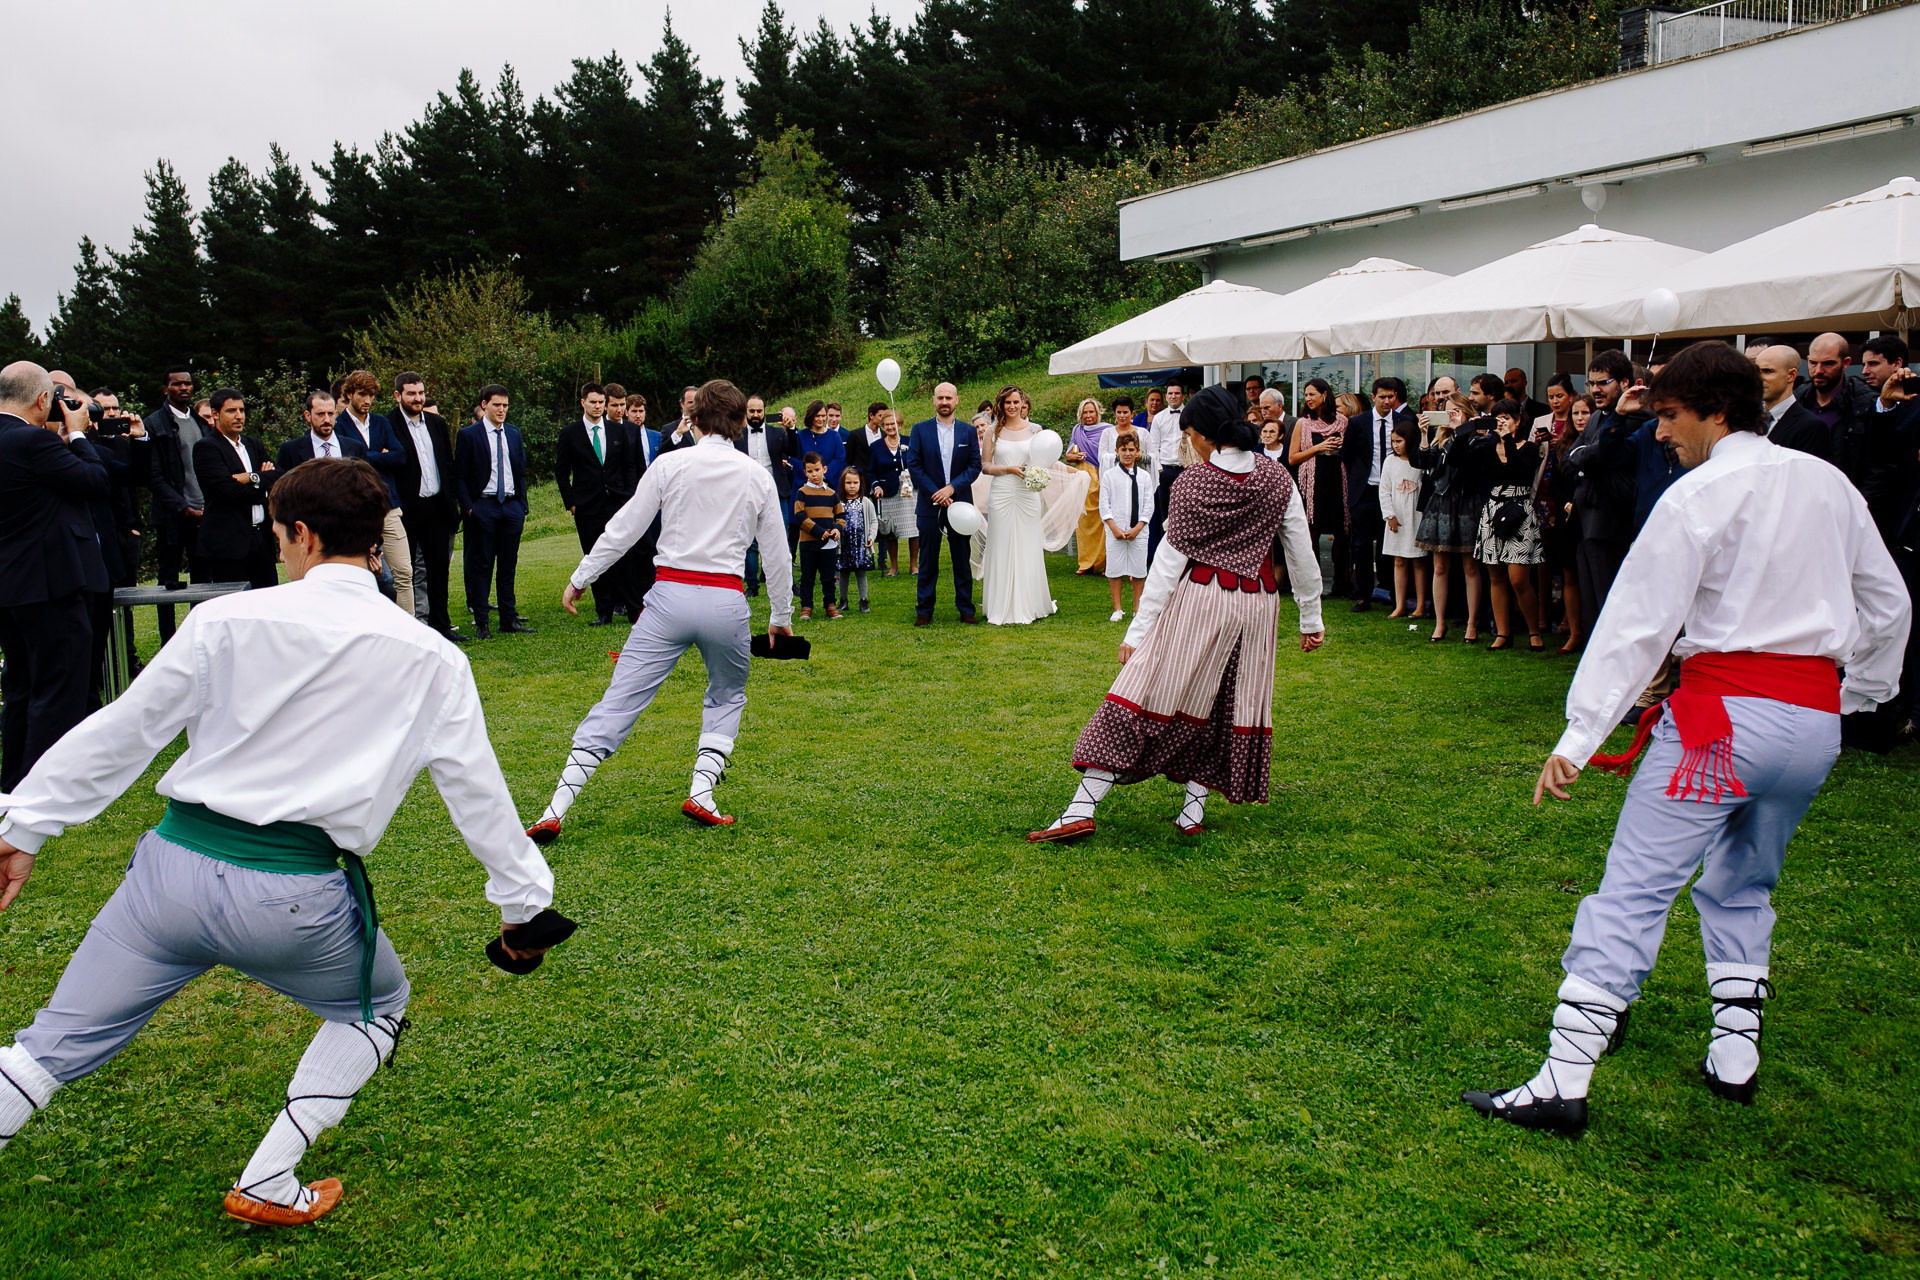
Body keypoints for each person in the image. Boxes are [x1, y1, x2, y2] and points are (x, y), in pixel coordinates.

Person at [0, 456, 566, 1225]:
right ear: (373, 539)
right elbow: (478, 794)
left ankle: (263, 1180)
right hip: (295, 899)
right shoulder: (433, 657)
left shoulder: (225, 621)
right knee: (378, 1007)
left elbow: (122, 731)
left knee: (43, 1052)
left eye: (278, 536)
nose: (277, 550)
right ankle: (268, 1177)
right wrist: (522, 908)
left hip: (169, 876)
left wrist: (25, 823)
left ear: (300, 534)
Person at [1463, 341, 1910, 1136]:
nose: (1661, 432)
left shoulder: (1699, 494)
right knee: (1746, 882)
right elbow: (1887, 605)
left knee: (1635, 888)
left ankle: (1565, 1077)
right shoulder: (1830, 485)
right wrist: (1859, 694)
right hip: (1811, 725)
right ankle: (1735, 1054)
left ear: (1714, 410)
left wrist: (1581, 732)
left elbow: (1635, 622)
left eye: (1668, 415)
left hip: (1720, 726)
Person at [1029, 384, 1325, 843]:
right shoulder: (1277, 477)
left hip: (1202, 598)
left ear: (1206, 435)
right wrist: (1311, 617)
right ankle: (1190, 813)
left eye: (1190, 435)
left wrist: (1138, 630)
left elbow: (1167, 563)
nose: (1190, 443)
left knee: (1140, 694)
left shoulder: (1195, 480)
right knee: (1223, 702)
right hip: (1260, 608)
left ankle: (1080, 809)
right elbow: (1301, 551)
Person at [526, 380, 792, 839]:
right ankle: (702, 791)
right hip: (726, 600)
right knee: (727, 697)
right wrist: (781, 617)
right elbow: (777, 554)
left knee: (619, 699)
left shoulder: (671, 464)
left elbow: (623, 527)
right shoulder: (756, 474)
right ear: (737, 421)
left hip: (668, 598)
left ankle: (556, 807)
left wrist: (580, 577)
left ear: (694, 419)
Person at [0, 365, 107, 791]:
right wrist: (79, 435)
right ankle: (42, 787)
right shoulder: (32, 439)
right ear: (43, 400)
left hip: (11, 585)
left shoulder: (22, 442)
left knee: (22, 686)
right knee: (59, 686)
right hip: (50, 582)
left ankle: (13, 782)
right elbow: (96, 482)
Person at [1568, 351, 1643, 642]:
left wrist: (1587, 457)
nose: (1596, 389)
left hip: (1613, 521)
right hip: (1586, 518)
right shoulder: (1598, 416)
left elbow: (1601, 456)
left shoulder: (1636, 416)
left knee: (1611, 603)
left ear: (1624, 382)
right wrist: (1587, 457)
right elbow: (1571, 458)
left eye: (1604, 382)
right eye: (1591, 383)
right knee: (1592, 605)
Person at [555, 383, 640, 628]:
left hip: (618, 502)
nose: (598, 406)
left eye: (601, 402)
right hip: (587, 506)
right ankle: (604, 610)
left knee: (625, 555)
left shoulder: (618, 431)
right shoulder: (570, 433)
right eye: (593, 402)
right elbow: (562, 472)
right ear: (583, 402)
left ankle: (634, 608)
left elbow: (629, 466)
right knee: (594, 555)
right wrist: (571, 503)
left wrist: (630, 496)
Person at [453, 385, 534, 639]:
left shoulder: (513, 433)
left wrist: (522, 505)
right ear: (484, 404)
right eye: (497, 405)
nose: (502, 410)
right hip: (483, 506)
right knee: (482, 565)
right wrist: (468, 507)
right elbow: (460, 476)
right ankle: (482, 622)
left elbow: (519, 470)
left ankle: (508, 619)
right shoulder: (469, 435)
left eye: (505, 405)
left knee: (508, 565)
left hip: (510, 506)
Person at [333, 371, 413, 616]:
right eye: (362, 394)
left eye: (371, 395)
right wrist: (380, 455)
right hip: (355, 510)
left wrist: (368, 457)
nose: (367, 400)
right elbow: (347, 462)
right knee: (360, 574)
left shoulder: (381, 422)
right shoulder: (338, 425)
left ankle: (409, 631)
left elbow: (400, 456)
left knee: (404, 572)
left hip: (387, 505)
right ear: (349, 395)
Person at [391, 373, 464, 642]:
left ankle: (441, 626)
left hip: (437, 507)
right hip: (408, 509)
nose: (417, 398)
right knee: (406, 571)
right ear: (398, 395)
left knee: (438, 570)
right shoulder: (388, 424)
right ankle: (410, 627)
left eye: (420, 393)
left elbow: (447, 464)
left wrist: (452, 502)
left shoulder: (436, 423)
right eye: (411, 393)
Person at [979, 385, 1057, 626]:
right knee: (1001, 545)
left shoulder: (1036, 430)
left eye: (1016, 402)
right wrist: (1007, 469)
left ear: (1023, 403)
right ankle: (1001, 605)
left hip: (1026, 494)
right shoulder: (992, 431)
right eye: (1007, 402)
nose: (1012, 406)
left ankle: (1030, 603)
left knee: (1027, 544)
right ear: (1001, 405)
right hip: (1002, 492)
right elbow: (985, 466)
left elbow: (1042, 460)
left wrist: (1037, 475)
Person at [906, 382, 981, 626]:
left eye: (949, 397)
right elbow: (914, 465)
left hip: (960, 504)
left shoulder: (968, 432)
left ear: (957, 400)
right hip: (929, 504)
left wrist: (952, 488)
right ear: (933, 400)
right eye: (940, 398)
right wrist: (936, 492)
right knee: (928, 559)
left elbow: (974, 466)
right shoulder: (920, 430)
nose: (944, 402)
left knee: (962, 558)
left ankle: (966, 609)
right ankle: (924, 610)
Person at [1473, 399, 1546, 651]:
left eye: (1507, 418)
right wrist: (1463, 433)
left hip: (1519, 511)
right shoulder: (1488, 446)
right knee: (1496, 576)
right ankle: (1502, 633)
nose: (1502, 423)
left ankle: (1533, 630)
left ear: (1517, 420)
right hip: (1493, 510)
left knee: (1518, 578)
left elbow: (1518, 472)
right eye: (1497, 418)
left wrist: (1506, 441)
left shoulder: (1528, 448)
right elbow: (1468, 465)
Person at [191, 388, 279, 590]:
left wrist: (252, 477)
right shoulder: (207, 447)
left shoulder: (253, 445)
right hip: (229, 544)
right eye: (231, 411)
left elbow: (279, 476)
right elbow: (226, 491)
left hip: (261, 540)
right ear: (215, 414)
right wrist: (264, 487)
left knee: (266, 601)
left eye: (242, 410)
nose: (239, 416)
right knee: (234, 606)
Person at [142, 365, 205, 643]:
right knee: (168, 582)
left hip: (203, 512)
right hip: (172, 516)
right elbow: (152, 476)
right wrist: (182, 508)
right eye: (177, 384)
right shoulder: (154, 424)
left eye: (188, 384)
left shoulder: (203, 423)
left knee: (202, 582)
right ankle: (169, 641)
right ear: (165, 389)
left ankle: (199, 637)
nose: (184, 388)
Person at [1412, 392, 1481, 643]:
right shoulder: (1440, 439)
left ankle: (1472, 624)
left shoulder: (1477, 438)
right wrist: (1423, 435)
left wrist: (1460, 430)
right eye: (1446, 411)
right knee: (1439, 566)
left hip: (1466, 502)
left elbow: (1462, 462)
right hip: (1441, 500)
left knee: (1470, 567)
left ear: (1466, 413)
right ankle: (1439, 623)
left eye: (1455, 412)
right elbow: (1421, 463)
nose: (1450, 417)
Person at [1344, 377, 1414, 613]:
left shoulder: (1404, 421)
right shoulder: (1358, 423)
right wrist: (1358, 480)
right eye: (1382, 397)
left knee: (1389, 545)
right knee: (1362, 545)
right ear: (1373, 397)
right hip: (1365, 490)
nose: (1387, 401)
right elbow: (1347, 454)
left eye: (1391, 397)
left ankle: (1393, 594)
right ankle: (1363, 595)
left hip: (1395, 494)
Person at [1539, 394, 1590, 654]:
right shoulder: (1564, 445)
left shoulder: (1597, 441)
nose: (1580, 418)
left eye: (1585, 413)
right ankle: (1573, 631)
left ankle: (1590, 631)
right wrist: (1567, 503)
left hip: (1592, 514)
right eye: (1576, 414)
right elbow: (1556, 482)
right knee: (1569, 574)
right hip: (1567, 515)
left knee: (1590, 577)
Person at [1290, 379, 1350, 598]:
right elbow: (1293, 457)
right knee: (1312, 533)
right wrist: (1319, 447)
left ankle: (1341, 584)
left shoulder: (1342, 421)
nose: (1308, 399)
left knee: (1341, 533)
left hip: (1337, 478)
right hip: (1312, 483)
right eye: (1306, 395)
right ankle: (1313, 584)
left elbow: (1350, 451)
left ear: (1325, 395)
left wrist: (1341, 446)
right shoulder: (1302, 423)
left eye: (1312, 394)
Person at [736, 394, 795, 597]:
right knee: (750, 542)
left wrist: (791, 429)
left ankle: (787, 583)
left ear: (764, 411)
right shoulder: (737, 435)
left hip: (776, 492)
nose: (755, 414)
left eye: (759, 411)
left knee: (782, 539)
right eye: (751, 411)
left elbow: (794, 449)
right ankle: (752, 585)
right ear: (746, 412)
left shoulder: (776, 433)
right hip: (747, 493)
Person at [1100, 429, 1152, 622]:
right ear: (1117, 451)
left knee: (1139, 570)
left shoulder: (1145, 477)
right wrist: (1113, 527)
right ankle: (1117, 609)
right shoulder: (1109, 476)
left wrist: (1138, 527)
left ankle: (1138, 609)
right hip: (1116, 529)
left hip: (1138, 530)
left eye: (1131, 449)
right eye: (1124, 449)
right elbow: (1104, 504)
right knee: (1114, 569)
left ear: (1137, 451)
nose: (1128, 453)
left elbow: (1148, 505)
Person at [1379, 419, 1428, 619]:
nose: (1395, 445)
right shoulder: (1390, 462)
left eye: (1399, 441)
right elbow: (1384, 490)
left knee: (1418, 561)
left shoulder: (1420, 461)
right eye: (1393, 441)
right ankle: (1399, 604)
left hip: (1416, 514)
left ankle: (1420, 604)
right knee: (1399, 560)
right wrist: (1389, 515)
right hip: (1397, 515)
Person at [792, 453, 844, 621]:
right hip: (808, 543)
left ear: (824, 469)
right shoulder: (802, 492)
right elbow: (799, 515)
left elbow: (841, 516)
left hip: (828, 544)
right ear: (805, 472)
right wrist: (818, 530)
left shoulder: (831, 493)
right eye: (810, 471)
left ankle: (830, 605)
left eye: (817, 470)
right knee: (807, 577)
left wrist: (837, 529)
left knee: (828, 577)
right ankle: (806, 607)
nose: (814, 474)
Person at [1754, 346, 1829, 460]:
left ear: (1791, 375)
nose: (1759, 378)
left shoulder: (1811, 427)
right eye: (1756, 371)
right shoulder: (1747, 420)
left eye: (1767, 371)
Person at [868, 409, 915, 577]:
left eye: (893, 424)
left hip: (909, 491)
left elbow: (919, 463)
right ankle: (893, 566)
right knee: (890, 530)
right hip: (887, 492)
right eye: (886, 425)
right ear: (882, 426)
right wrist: (876, 486)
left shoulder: (911, 441)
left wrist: (912, 473)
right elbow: (871, 471)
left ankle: (914, 565)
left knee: (913, 528)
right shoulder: (876, 447)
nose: (890, 427)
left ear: (900, 425)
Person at [1147, 381, 1187, 559]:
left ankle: (1184, 554)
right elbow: (1153, 446)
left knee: (1185, 512)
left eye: (1177, 393)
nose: (1173, 396)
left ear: (1183, 396)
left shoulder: (1190, 415)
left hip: (1185, 469)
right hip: (1165, 470)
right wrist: (1158, 469)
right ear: (1166, 396)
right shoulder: (1159, 418)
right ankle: (1166, 556)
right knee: (1165, 514)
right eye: (1170, 393)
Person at [1067, 397, 1106, 575]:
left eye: (1092, 412)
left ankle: (1104, 562)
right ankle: (1085, 563)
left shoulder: (1107, 430)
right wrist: (1075, 457)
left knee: (1103, 520)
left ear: (1098, 413)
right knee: (1083, 521)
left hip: (1102, 476)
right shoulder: (1077, 431)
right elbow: (1068, 455)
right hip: (1082, 478)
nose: (1088, 415)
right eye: (1085, 412)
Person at [835, 465, 877, 614]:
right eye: (848, 483)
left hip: (860, 545)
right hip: (844, 544)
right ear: (843, 483)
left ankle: (864, 600)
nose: (852, 486)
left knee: (861, 572)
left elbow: (873, 521)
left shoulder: (865, 502)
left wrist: (871, 537)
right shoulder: (838, 502)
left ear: (860, 484)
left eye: (855, 483)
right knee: (843, 572)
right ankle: (843, 601)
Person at [795, 399, 846, 494]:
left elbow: (839, 458)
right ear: (811, 416)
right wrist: (810, 475)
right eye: (817, 416)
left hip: (828, 486)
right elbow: (796, 459)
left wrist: (823, 475)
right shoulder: (800, 435)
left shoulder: (834, 436)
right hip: (806, 486)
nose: (821, 419)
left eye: (823, 416)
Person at [846, 401, 885, 476]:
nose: (883, 419)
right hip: (861, 478)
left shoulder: (885, 435)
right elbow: (848, 458)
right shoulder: (855, 435)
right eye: (880, 416)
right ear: (871, 415)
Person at [659, 386, 699, 454]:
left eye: (697, 402)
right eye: (690, 402)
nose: (694, 405)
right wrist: (678, 434)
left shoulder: (710, 427)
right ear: (682, 404)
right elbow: (662, 454)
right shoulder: (669, 429)